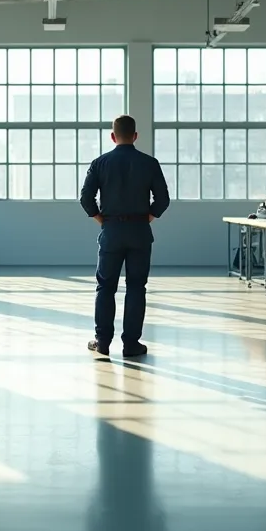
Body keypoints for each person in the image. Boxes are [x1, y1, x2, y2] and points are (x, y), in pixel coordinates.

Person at [79, 115, 170, 358]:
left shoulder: (100, 163)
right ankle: (131, 344)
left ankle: (103, 342)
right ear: (135, 135)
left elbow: (85, 199)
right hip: (140, 232)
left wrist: (101, 219)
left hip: (111, 232)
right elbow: (163, 200)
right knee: (137, 288)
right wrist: (147, 217)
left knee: (105, 287)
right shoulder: (149, 163)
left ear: (112, 136)